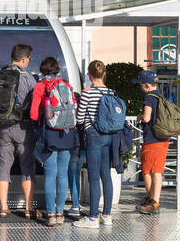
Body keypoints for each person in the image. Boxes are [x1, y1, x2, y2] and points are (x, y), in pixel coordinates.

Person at [0, 43, 39, 218]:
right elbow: (35, 103)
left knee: (3, 166)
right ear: (25, 59)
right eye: (29, 59)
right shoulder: (28, 78)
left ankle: (3, 207)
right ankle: (28, 208)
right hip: (23, 127)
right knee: (27, 166)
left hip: (2, 126)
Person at [29, 56, 78, 227]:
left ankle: (50, 214)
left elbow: (34, 114)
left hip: (49, 134)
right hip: (66, 133)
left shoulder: (41, 86)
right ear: (57, 70)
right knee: (62, 174)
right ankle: (60, 213)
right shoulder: (67, 85)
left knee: (50, 174)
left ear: (42, 70)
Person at [75, 59, 120, 227]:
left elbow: (79, 118)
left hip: (94, 135)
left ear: (90, 75)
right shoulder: (111, 93)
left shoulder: (87, 93)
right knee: (106, 175)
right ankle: (106, 215)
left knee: (93, 177)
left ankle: (93, 217)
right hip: (109, 136)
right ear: (104, 74)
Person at [135, 69, 168, 213]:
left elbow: (147, 118)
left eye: (140, 85)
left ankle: (152, 201)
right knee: (157, 171)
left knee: (148, 171)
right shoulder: (161, 96)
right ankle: (153, 201)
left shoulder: (149, 98)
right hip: (163, 138)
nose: (140, 87)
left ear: (147, 86)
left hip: (151, 139)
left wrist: (139, 116)